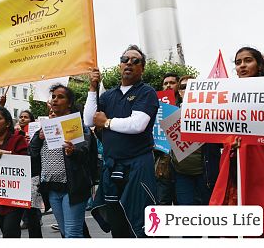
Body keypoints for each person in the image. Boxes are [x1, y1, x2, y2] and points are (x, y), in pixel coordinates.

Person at [84, 45, 159, 237]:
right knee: (117, 224)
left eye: (135, 61)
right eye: (125, 59)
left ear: (142, 68)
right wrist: (93, 88)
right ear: (119, 65)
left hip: (137, 166)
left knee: (141, 224)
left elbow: (138, 124)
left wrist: (107, 122)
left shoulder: (146, 92)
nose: (129, 63)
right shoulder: (109, 95)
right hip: (112, 167)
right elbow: (88, 119)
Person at [210, 47, 264, 237]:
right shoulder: (227, 96)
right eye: (238, 63)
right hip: (237, 164)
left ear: (260, 65)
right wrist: (230, 145)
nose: (243, 66)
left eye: (248, 61)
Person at [29, 84, 92, 238]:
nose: (55, 100)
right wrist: (38, 138)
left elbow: (86, 152)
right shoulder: (45, 128)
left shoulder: (78, 127)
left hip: (73, 188)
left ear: (69, 103)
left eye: (60, 97)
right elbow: (32, 153)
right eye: (54, 97)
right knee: (65, 232)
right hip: (52, 189)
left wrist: (73, 151)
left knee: (72, 233)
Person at [171, 76, 222, 206]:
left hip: (205, 174)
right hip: (181, 175)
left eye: (192, 87)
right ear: (179, 91)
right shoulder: (170, 113)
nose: (187, 90)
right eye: (183, 87)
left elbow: (222, 140)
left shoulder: (211, 113)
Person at [0, 106, 28, 238]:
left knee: (9, 232)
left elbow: (25, 162)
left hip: (14, 198)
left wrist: (7, 153)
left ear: (8, 123)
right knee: (6, 232)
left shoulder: (18, 140)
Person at [154, 72, 179, 206]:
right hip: (163, 166)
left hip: (183, 167)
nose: (168, 85)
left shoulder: (186, 106)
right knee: (162, 205)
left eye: (172, 83)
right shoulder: (156, 107)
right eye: (165, 83)